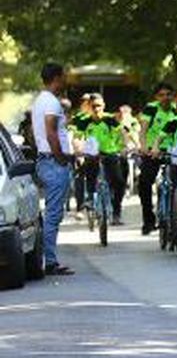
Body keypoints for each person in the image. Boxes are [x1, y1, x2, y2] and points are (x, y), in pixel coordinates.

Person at [31, 63, 74, 276]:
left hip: (45, 160)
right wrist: (61, 158)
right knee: (53, 214)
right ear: (57, 78)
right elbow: (50, 132)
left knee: (52, 212)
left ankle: (49, 259)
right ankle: (50, 261)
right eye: (64, 77)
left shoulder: (40, 100)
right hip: (53, 162)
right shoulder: (51, 103)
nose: (65, 81)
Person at [77, 95, 129, 225]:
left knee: (119, 182)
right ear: (89, 107)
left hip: (109, 153)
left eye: (99, 106)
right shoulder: (84, 121)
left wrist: (124, 147)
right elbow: (77, 137)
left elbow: (122, 133)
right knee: (87, 174)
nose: (96, 109)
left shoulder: (110, 119)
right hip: (92, 155)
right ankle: (89, 198)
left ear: (103, 106)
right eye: (93, 106)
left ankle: (116, 212)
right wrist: (78, 148)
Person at [138, 82, 176, 234]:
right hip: (153, 152)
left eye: (168, 94)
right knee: (144, 184)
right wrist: (143, 146)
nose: (165, 98)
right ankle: (149, 220)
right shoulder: (151, 108)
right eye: (162, 95)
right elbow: (143, 129)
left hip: (172, 152)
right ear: (156, 97)